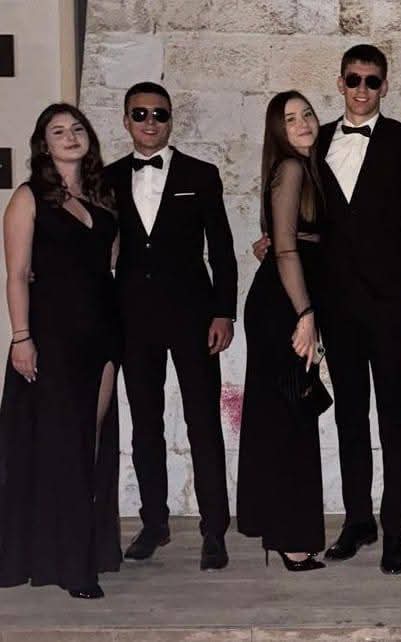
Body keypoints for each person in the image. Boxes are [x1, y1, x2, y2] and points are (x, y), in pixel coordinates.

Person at [314, 44, 401, 574]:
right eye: (353, 79)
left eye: (371, 80)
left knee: (393, 418)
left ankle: (393, 532)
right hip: (334, 305)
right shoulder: (316, 140)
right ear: (340, 83)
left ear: (384, 86)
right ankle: (358, 521)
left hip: (389, 304)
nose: (362, 88)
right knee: (348, 416)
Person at [104, 82, 238, 571]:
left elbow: (221, 248)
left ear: (170, 119)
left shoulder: (201, 174)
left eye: (159, 114)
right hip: (132, 318)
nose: (150, 122)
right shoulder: (108, 178)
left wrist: (224, 312)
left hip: (193, 317)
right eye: (140, 114)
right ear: (126, 120)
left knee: (203, 423)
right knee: (145, 425)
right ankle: (154, 523)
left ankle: (214, 530)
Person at [0, 104, 122, 599]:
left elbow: (109, 264)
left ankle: (83, 550)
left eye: (77, 128)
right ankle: (73, 566)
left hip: (103, 334)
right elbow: (16, 274)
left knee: (89, 444)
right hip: (51, 336)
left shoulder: (103, 196)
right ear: (44, 145)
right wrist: (21, 337)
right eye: (58, 131)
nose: (70, 136)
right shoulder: (27, 197)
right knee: (63, 446)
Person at [237, 91, 328, 572]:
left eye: (307, 114)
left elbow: (287, 242)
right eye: (291, 119)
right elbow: (288, 250)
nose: (303, 123)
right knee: (290, 417)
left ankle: (280, 528)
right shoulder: (291, 168)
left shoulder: (306, 169)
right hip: (284, 305)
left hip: (288, 297)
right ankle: (290, 539)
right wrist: (306, 315)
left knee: (286, 415)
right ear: (278, 130)